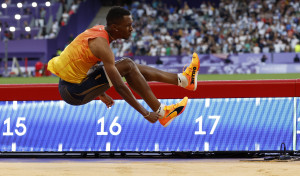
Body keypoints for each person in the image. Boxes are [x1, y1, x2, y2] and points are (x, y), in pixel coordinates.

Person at [47, 6, 200, 127]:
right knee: (127, 65)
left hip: (74, 82)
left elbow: (83, 63)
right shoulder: (101, 45)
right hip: (73, 92)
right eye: (128, 26)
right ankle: (163, 110)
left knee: (129, 66)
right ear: (114, 27)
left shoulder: (100, 32)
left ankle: (183, 81)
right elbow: (120, 86)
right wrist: (145, 113)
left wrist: (99, 93)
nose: (131, 29)